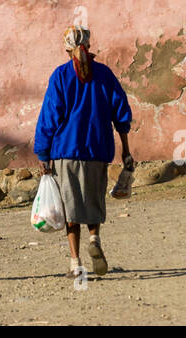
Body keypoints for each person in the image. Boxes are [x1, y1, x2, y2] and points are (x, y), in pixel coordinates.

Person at [33, 26, 133, 279]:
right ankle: (95, 238)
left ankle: (76, 264)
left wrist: (43, 154)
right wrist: (126, 152)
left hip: (66, 152)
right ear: (88, 45)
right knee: (93, 200)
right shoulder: (105, 74)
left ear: (67, 48)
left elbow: (49, 117)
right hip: (98, 150)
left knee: (70, 210)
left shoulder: (61, 76)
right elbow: (121, 112)